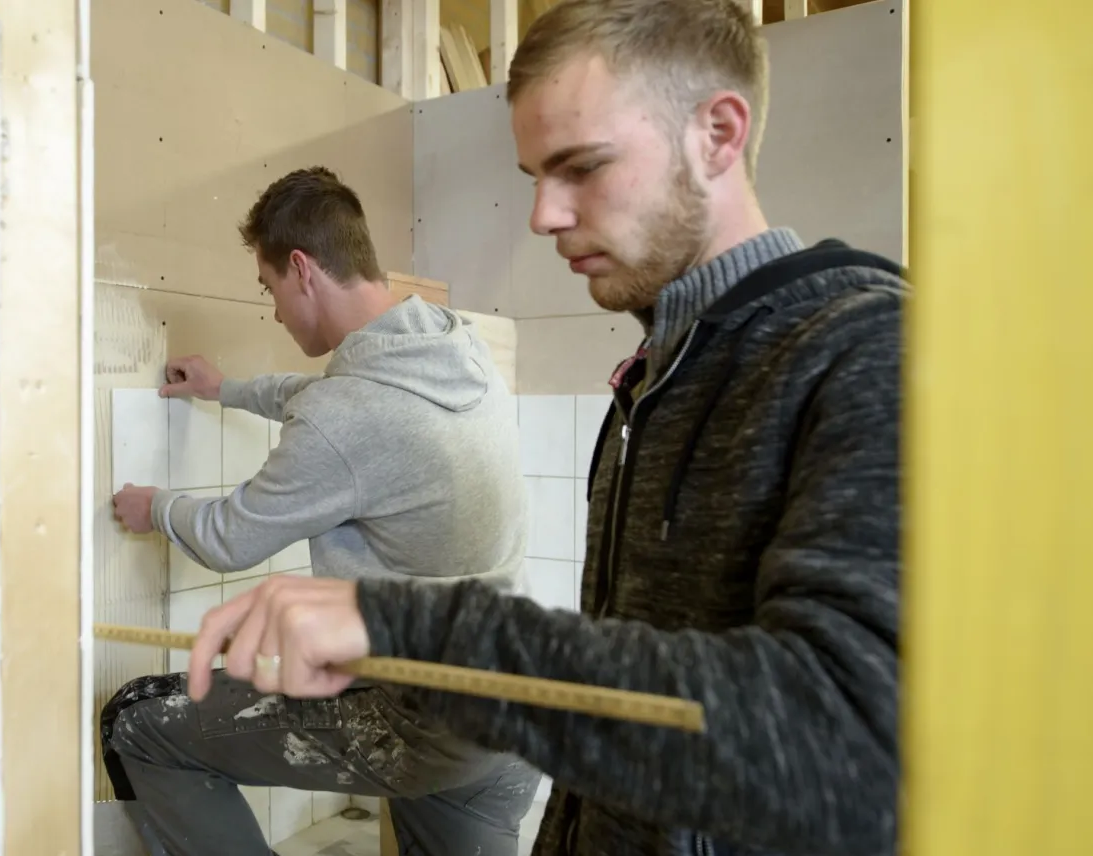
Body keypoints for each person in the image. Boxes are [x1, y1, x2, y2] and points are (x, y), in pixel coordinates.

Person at [185, 2, 906, 856]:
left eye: (581, 167)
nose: (543, 215)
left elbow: (837, 746)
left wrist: (404, 624)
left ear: (718, 132)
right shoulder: (661, 375)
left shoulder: (865, 353)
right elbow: (651, 716)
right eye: (535, 175)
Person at [104, 166, 541, 855]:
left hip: (414, 725)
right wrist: (231, 389)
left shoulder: (349, 413)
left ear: (301, 269)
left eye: (268, 287)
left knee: (139, 726)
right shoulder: (454, 347)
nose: (272, 310)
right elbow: (336, 401)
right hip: (510, 713)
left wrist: (155, 507)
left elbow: (229, 538)